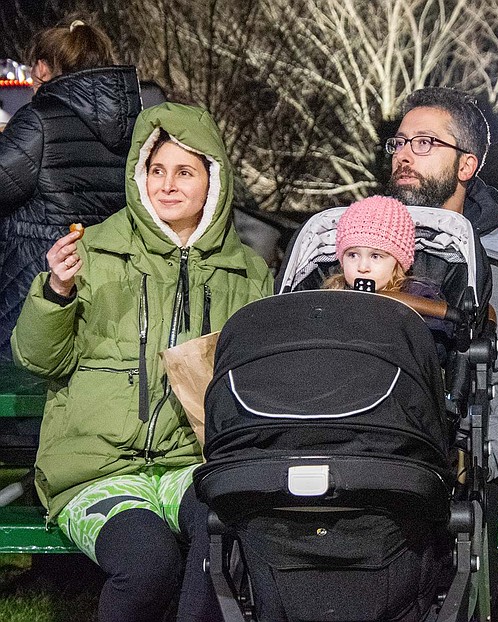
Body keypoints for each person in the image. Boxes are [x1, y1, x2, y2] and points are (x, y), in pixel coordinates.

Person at [11, 102, 274, 622]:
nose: (168, 184)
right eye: (156, 170)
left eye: (184, 172)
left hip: (190, 467)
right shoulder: (96, 252)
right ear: (138, 175)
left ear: (213, 182)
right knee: (148, 564)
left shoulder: (246, 274)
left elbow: (255, 383)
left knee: (221, 543)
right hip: (96, 470)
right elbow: (38, 360)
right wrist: (56, 293)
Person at [385, 86, 498, 604]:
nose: (403, 153)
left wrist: (485, 453)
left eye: (424, 142)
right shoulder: (360, 247)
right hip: (367, 450)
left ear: (466, 165)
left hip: (462, 467)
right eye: (400, 141)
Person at [0, 18, 141, 362]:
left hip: (38, 274)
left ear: (44, 69)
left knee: (23, 385)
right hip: (109, 281)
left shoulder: (39, 119)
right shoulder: (135, 123)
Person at [324, 195, 454, 359]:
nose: (363, 267)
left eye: (376, 256)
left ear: (397, 262)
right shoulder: (330, 296)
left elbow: (434, 351)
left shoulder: (418, 298)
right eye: (353, 255)